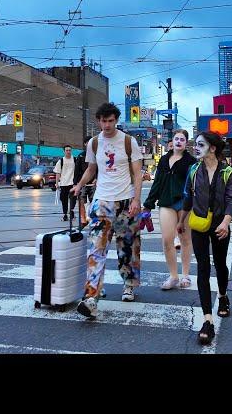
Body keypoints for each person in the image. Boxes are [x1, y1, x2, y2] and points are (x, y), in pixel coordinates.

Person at [71, 102, 144, 318]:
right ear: (98, 121)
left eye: (110, 121)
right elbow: (91, 169)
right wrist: (80, 185)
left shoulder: (129, 142)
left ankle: (129, 285)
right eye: (103, 121)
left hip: (125, 201)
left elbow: (138, 173)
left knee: (128, 248)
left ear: (116, 120)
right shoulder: (94, 143)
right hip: (102, 202)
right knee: (96, 250)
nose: (107, 125)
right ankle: (91, 296)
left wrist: (136, 199)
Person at [177, 131, 232, 345]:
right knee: (203, 268)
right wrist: (181, 220)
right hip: (199, 226)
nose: (196, 148)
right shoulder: (194, 170)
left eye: (200, 144)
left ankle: (223, 296)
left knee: (220, 265)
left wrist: (226, 222)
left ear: (212, 148)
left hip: (220, 225)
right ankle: (207, 320)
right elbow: (188, 196)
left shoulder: (228, 172)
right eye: (195, 144)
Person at [143, 129, 197, 290]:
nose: (179, 141)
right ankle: (173, 276)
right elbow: (157, 182)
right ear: (172, 142)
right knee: (167, 240)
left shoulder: (191, 161)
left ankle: (185, 275)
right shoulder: (164, 160)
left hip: (185, 203)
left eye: (182, 139)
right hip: (166, 202)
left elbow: (196, 185)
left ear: (186, 143)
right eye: (176, 139)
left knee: (185, 239)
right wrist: (148, 203)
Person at [74, 135, 96, 228]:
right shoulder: (81, 155)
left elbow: (98, 168)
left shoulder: (96, 154)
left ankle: (94, 219)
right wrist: (76, 183)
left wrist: (97, 178)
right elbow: (77, 170)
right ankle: (83, 220)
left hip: (94, 183)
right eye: (87, 142)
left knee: (94, 202)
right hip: (82, 183)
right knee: (81, 201)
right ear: (85, 144)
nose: (89, 144)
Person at [54, 145, 77, 222]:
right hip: (63, 183)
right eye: (66, 150)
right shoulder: (61, 161)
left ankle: (72, 213)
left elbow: (78, 171)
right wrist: (57, 183)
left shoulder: (75, 160)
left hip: (72, 183)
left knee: (73, 199)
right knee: (64, 200)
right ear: (64, 151)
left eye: (70, 150)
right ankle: (65, 215)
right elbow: (58, 173)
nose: (68, 151)